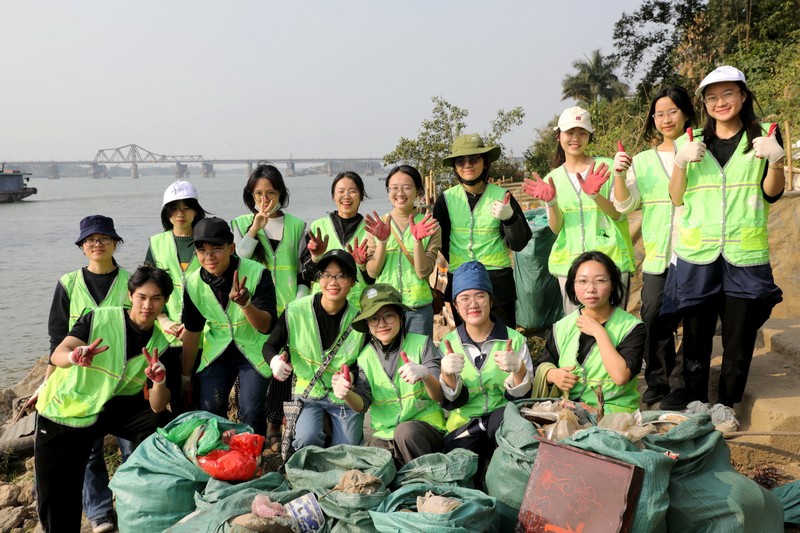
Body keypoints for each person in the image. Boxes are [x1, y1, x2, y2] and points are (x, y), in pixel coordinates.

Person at [665, 66, 784, 420]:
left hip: (744, 254)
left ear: (743, 96)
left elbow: (771, 193)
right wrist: (681, 162)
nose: (721, 102)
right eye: (712, 97)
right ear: (704, 102)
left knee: (738, 337)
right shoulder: (691, 139)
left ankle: (726, 405)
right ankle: (697, 402)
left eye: (728, 94)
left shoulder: (762, 137)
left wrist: (776, 160)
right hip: (698, 253)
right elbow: (676, 197)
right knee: (697, 336)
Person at [35, 265, 177, 533]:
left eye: (156, 298)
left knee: (165, 426)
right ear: (130, 295)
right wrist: (73, 357)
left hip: (113, 407)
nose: (148, 305)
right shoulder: (98, 318)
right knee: (59, 495)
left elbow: (158, 405)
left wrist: (159, 381)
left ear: (166, 301)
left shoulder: (162, 342)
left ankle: (154, 502)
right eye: (142, 297)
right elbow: (59, 352)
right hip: (65, 410)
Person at [44, 215, 132, 533]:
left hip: (122, 381)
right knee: (89, 450)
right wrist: (48, 382)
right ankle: (99, 513)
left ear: (115, 243)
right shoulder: (68, 284)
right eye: (90, 240)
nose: (97, 244)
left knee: (131, 447)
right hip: (79, 383)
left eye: (104, 238)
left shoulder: (131, 282)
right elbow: (57, 338)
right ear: (82, 247)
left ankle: (132, 503)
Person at [610, 87, 696, 406]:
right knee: (653, 313)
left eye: (672, 111)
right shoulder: (644, 161)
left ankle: (689, 377)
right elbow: (625, 204)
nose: (665, 119)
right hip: (660, 253)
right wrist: (619, 175)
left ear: (686, 112)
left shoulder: (701, 148)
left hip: (696, 249)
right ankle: (658, 380)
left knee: (696, 315)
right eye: (659, 114)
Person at [523, 107, 635, 314]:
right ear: (559, 136)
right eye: (570, 132)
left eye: (582, 132)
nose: (576, 138)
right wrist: (552, 201)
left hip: (610, 263)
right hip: (570, 267)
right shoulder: (553, 178)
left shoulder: (607, 167)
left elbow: (619, 214)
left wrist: (595, 196)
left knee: (615, 331)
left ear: (590, 136)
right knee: (578, 333)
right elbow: (556, 228)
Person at [231, 164, 310, 446]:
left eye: (271, 193)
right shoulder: (240, 224)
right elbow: (238, 259)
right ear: (250, 195)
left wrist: (299, 302)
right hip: (253, 307)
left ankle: (276, 424)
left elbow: (305, 271)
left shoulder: (298, 226)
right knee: (255, 360)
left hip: (289, 307)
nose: (265, 200)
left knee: (284, 364)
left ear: (281, 194)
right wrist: (255, 228)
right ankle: (250, 423)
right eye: (258, 194)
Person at [332, 284, 448, 468]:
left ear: (400, 317)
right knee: (367, 467)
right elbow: (362, 405)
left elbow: (440, 395)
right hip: (386, 436)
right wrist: (346, 393)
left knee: (406, 431)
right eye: (374, 318)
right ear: (368, 325)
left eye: (388, 315)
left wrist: (425, 375)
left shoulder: (421, 344)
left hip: (424, 431)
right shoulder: (365, 357)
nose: (381, 324)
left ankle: (427, 481)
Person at [181, 217, 277, 437]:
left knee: (251, 410)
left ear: (232, 248)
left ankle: (254, 458)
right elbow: (193, 330)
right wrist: (186, 376)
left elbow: (266, 326)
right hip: (217, 351)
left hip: (253, 350)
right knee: (211, 409)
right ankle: (220, 459)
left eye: (216, 248)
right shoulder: (194, 283)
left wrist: (246, 305)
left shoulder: (256, 272)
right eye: (201, 250)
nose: (209, 257)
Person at [263, 249, 366, 450]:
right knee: (306, 442)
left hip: (344, 395)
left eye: (342, 276)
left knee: (347, 450)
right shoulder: (295, 310)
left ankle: (331, 431)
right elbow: (270, 345)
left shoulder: (360, 320)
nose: (333, 282)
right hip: (308, 392)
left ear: (353, 282)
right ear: (319, 279)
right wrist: (275, 361)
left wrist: (350, 379)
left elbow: (361, 364)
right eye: (327, 275)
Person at [438, 261, 533, 466]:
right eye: (464, 298)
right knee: (458, 467)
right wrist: (447, 374)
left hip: (503, 422)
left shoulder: (514, 340)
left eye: (480, 296)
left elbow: (521, 397)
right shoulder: (448, 345)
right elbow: (451, 399)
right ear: (455, 306)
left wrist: (519, 369)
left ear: (490, 300)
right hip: (462, 425)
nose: (473, 304)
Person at [433, 134, 532, 327]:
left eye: (474, 159)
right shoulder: (446, 199)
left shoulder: (503, 196)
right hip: (461, 281)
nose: (467, 165)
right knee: (467, 344)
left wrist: (510, 218)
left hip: (497, 283)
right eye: (460, 161)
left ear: (485, 163)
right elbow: (440, 245)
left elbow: (520, 243)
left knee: (502, 342)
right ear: (454, 166)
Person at [534, 251, 646, 413]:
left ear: (613, 284)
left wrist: (599, 333)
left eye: (600, 281)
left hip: (615, 414)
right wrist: (552, 375)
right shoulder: (562, 326)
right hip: (569, 412)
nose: (590, 289)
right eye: (582, 281)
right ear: (573, 285)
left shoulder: (632, 327)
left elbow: (621, 376)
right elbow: (542, 364)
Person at [145, 180, 209, 415]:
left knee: (204, 400)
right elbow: (148, 291)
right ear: (166, 213)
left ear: (195, 210)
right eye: (173, 208)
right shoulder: (157, 243)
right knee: (173, 399)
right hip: (167, 339)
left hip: (206, 338)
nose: (180, 214)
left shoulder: (207, 241)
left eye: (186, 207)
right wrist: (162, 320)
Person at [364, 165, 441, 335]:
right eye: (394, 188)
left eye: (407, 188)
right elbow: (372, 272)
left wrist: (417, 241)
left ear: (419, 191)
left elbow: (423, 272)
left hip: (418, 308)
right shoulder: (377, 225)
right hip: (385, 306)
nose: (400, 193)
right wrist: (382, 242)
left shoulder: (431, 225)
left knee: (418, 358)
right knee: (389, 360)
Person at [305, 171, 372, 307]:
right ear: (333, 196)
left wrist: (362, 266)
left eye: (352, 191)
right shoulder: (318, 227)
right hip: (323, 305)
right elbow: (307, 276)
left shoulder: (370, 230)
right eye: (341, 191)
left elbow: (373, 278)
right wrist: (315, 258)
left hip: (358, 306)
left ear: (361, 196)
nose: (346, 197)